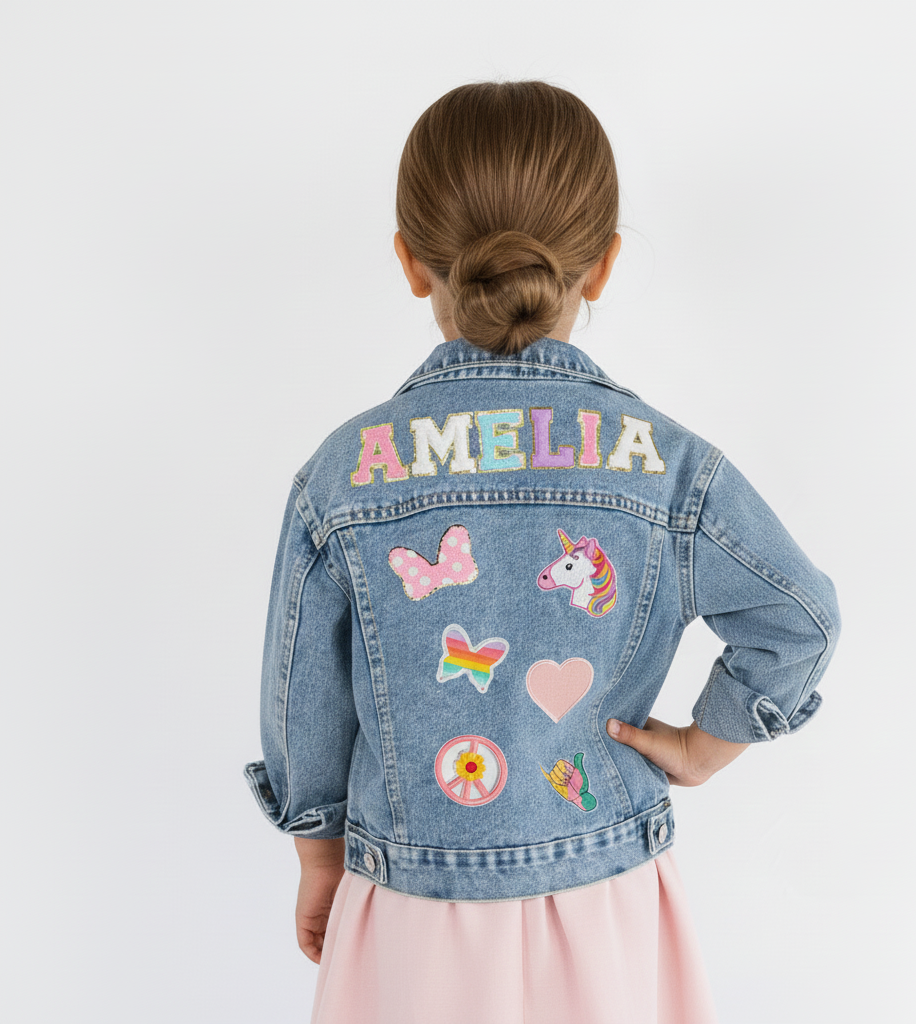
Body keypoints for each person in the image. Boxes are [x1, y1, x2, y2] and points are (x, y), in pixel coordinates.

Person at [245, 80, 840, 1024]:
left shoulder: (344, 474)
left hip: (410, 899)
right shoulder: (668, 465)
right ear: (601, 266)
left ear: (411, 263)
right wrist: (705, 745)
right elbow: (799, 618)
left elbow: (300, 696)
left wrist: (319, 851)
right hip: (606, 895)